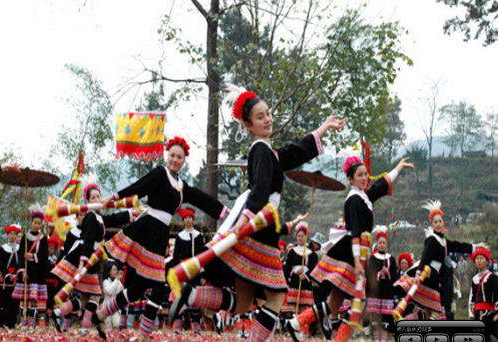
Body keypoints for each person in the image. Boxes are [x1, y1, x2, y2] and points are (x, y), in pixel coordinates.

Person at [169, 90, 347, 342]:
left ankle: (191, 296)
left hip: (256, 222)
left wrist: (324, 127)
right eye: (260, 117)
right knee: (275, 296)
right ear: (248, 124)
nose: (268, 120)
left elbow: (295, 151)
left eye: (269, 114)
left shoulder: (267, 151)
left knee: (243, 304)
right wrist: (244, 223)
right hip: (260, 224)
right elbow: (261, 190)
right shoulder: (261, 149)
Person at [95, 136, 229, 341]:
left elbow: (202, 198)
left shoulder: (182, 187)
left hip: (160, 235)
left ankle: (101, 314)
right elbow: (138, 187)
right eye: (172, 155)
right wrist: (113, 197)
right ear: (168, 156)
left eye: (179, 157)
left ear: (184, 160)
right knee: (158, 287)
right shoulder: (160, 173)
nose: (175, 160)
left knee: (139, 287)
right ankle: (142, 335)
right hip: (148, 229)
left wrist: (225, 212)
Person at [287, 155, 413, 342]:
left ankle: (296, 323)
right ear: (351, 179)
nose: (365, 178)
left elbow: (379, 186)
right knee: (359, 301)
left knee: (335, 303)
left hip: (356, 251)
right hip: (350, 253)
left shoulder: (363, 197)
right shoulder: (353, 200)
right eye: (360, 175)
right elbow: (355, 231)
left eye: (365, 174)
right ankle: (338, 339)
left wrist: (398, 168)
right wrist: (357, 260)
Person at [51, 175, 135, 336]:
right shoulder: (90, 216)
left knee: (84, 299)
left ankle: (57, 314)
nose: (97, 199)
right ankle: (84, 326)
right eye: (93, 197)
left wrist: (134, 213)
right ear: (88, 201)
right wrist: (83, 263)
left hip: (90, 258)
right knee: (96, 295)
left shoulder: (99, 217)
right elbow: (88, 240)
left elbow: (114, 218)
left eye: (99, 196)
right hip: (84, 256)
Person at [395, 200, 489, 320]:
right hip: (428, 276)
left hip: (433, 277)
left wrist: (477, 246)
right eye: (435, 222)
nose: (438, 224)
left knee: (428, 311)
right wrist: (418, 273)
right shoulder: (432, 239)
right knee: (437, 312)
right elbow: (425, 257)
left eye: (440, 221)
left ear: (444, 223)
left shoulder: (443, 241)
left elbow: (458, 245)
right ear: (432, 225)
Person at [167, 207, 205, 335]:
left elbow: (202, 256)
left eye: (190, 218)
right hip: (183, 271)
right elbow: (176, 257)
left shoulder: (199, 237)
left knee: (194, 298)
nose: (188, 220)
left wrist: (202, 273)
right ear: (183, 220)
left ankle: (197, 331)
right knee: (179, 297)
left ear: (193, 219)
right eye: (186, 218)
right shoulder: (179, 237)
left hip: (195, 270)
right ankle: (177, 330)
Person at [12, 205, 49, 331]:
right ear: (31, 223)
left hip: (37, 273)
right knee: (24, 300)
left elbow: (44, 256)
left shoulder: (43, 239)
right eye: (35, 223)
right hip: (26, 272)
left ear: (41, 224)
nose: (37, 225)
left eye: (39, 223)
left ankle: (32, 325)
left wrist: (32, 255)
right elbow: (21, 256)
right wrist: (22, 271)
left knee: (34, 300)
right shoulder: (25, 238)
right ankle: (23, 324)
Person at [284, 223, 317, 339]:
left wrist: (306, 275)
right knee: (296, 307)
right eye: (298, 236)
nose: (300, 238)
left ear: (306, 237)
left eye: (302, 236)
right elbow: (287, 267)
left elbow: (313, 269)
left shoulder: (311, 254)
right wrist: (295, 271)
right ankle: (295, 330)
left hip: (305, 282)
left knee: (304, 308)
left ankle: (304, 330)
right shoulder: (293, 252)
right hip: (295, 281)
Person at [365, 231, 398, 342]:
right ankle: (376, 339)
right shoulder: (373, 258)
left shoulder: (391, 259)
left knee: (385, 317)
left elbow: (394, 277)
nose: (382, 245)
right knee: (375, 317)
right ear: (377, 244)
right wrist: (379, 274)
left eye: (384, 243)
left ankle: (383, 339)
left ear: (386, 244)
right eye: (380, 243)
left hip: (387, 292)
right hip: (375, 292)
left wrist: (387, 273)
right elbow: (369, 275)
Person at [469, 248, 498, 341]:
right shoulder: (474, 279)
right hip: (478, 313)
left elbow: (497, 294)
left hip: (490, 313)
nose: (479, 261)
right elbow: (474, 297)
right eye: (477, 258)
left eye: (482, 258)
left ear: (487, 261)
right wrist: (472, 307)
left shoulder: (492, 277)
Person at [0, 224, 21, 328]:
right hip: (6, 279)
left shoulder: (20, 248)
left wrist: (16, 274)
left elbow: (20, 263)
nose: (12, 236)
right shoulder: (3, 248)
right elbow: (1, 263)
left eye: (14, 234)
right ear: (7, 235)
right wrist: (8, 274)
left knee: (14, 302)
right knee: (5, 300)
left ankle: (12, 322)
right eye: (10, 234)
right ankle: (2, 322)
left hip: (16, 278)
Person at [102, 261, 124, 330]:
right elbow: (110, 291)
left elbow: (121, 292)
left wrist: (119, 281)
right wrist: (117, 280)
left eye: (116, 270)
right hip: (106, 307)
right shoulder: (105, 282)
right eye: (114, 270)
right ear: (109, 272)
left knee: (117, 324)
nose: (116, 272)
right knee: (107, 327)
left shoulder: (117, 281)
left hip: (115, 307)